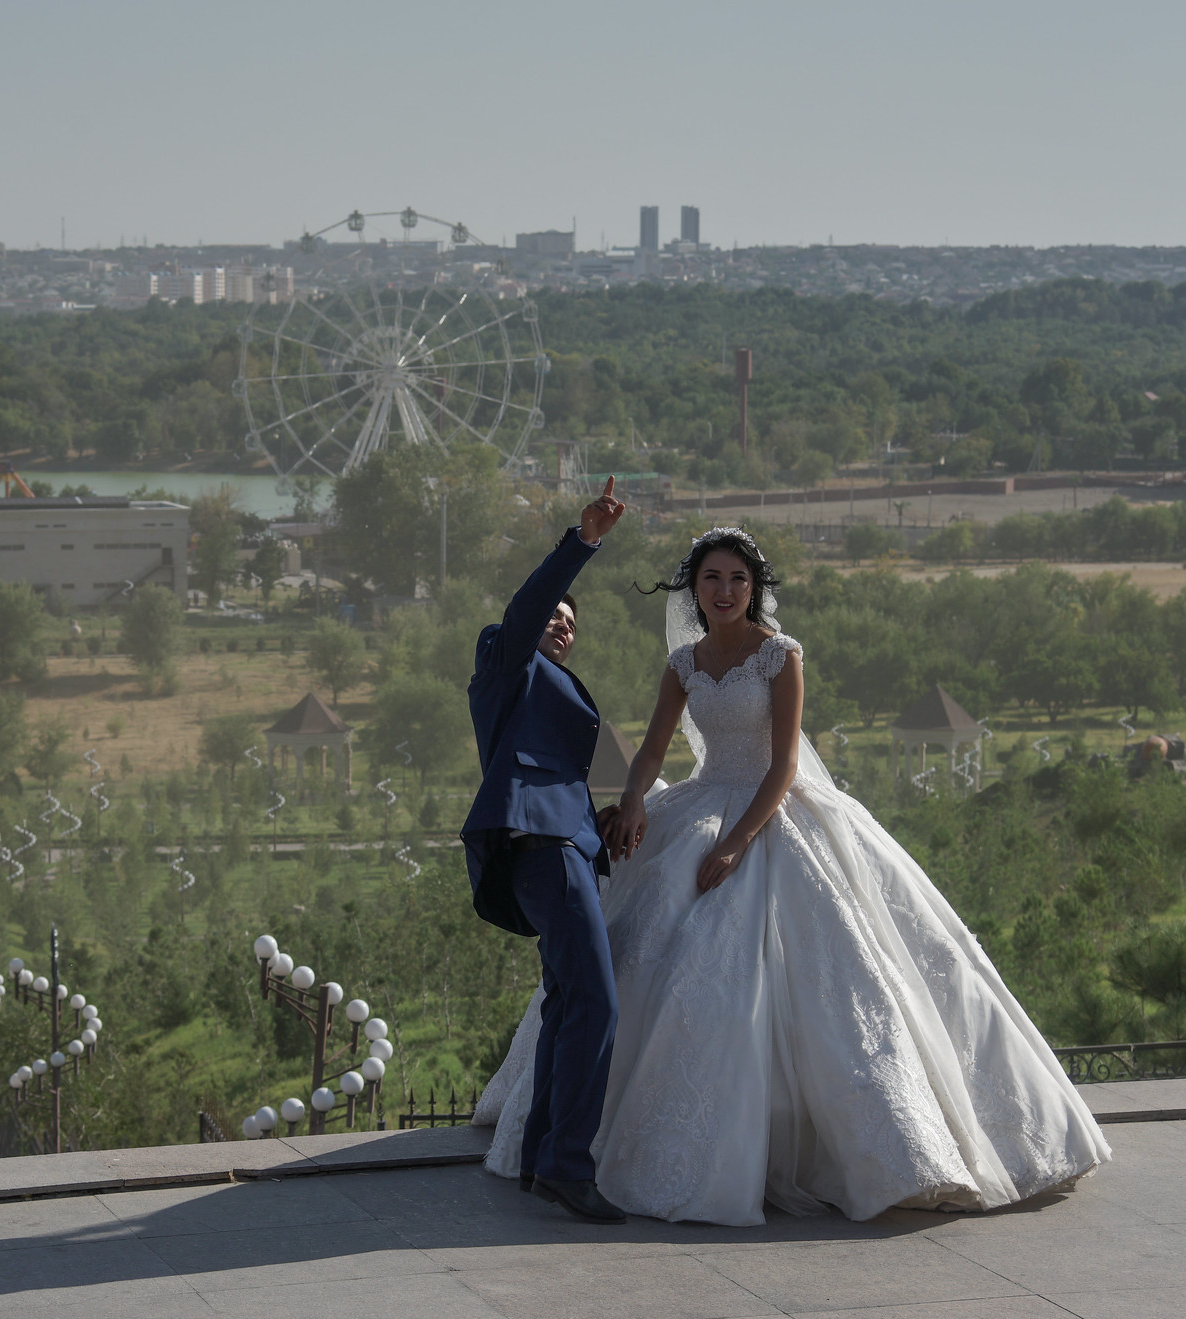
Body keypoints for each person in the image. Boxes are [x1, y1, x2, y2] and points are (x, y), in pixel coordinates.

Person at [476, 528, 1111, 1226]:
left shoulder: (781, 657)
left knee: (843, 976)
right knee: (632, 961)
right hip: (698, 803)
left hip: (773, 813)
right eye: (711, 579)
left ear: (754, 591)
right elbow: (653, 749)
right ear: (695, 591)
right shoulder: (682, 663)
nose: (723, 591)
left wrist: (739, 842)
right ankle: (569, 1147)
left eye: (736, 581)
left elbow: (782, 766)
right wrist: (631, 801)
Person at [460, 478, 629, 1225]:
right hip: (542, 843)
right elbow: (526, 611)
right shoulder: (508, 665)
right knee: (595, 998)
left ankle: (540, 1161)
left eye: (571, 619)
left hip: (568, 841)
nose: (561, 623)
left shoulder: (550, 688)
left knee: (567, 1001)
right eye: (552, 615)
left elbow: (577, 771)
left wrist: (616, 814)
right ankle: (568, 1163)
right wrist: (581, 543)